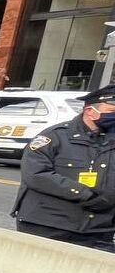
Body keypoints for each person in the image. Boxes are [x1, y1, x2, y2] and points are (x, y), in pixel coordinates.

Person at [12, 84, 115, 252]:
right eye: (112, 112)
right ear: (90, 111)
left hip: (98, 230)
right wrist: (85, 194)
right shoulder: (54, 137)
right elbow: (36, 174)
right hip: (48, 225)